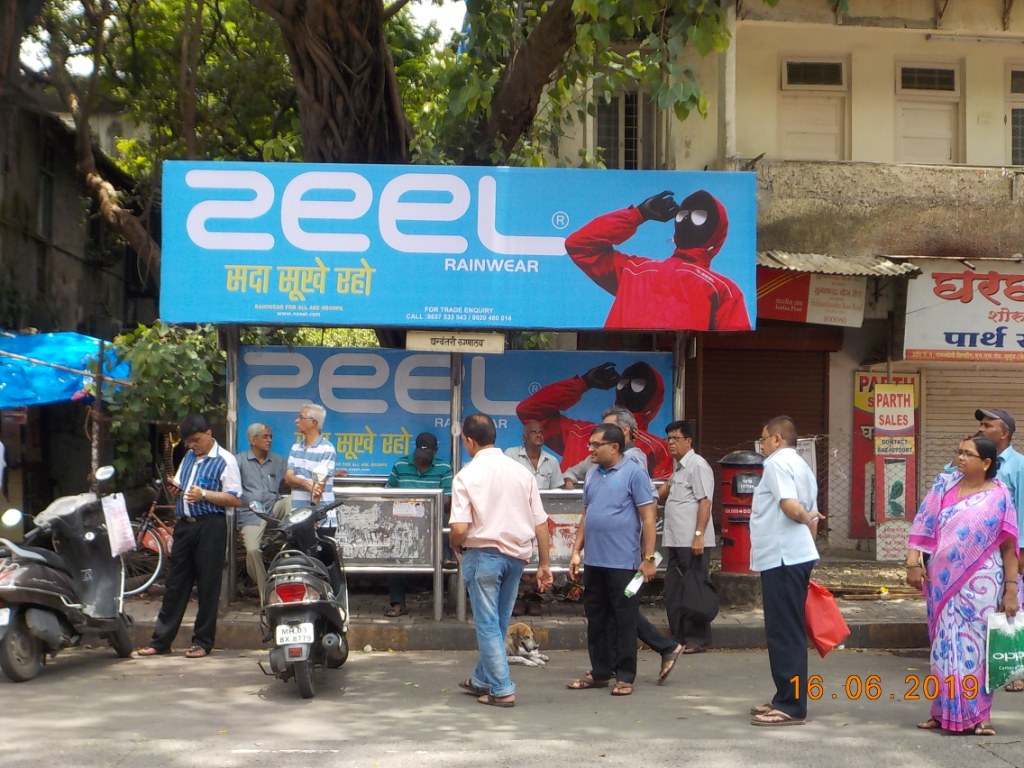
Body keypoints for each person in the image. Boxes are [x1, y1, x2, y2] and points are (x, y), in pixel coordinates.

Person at [906, 435, 1019, 735]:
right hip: (942, 582)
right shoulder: (943, 486)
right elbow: (922, 525)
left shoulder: (999, 495)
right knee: (943, 647)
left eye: (968, 454)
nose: (960, 458)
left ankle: (980, 716)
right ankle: (941, 712)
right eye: (959, 452)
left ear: (986, 463)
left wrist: (1011, 590)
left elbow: (1009, 547)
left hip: (983, 583)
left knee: (977, 648)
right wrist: (913, 562)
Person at [449, 413, 553, 708]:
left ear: (469, 441)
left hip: (482, 555)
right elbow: (541, 524)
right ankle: (482, 679)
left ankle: (503, 688)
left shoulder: (466, 475)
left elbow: (459, 529)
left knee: (487, 625)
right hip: (516, 558)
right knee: (499, 622)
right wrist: (544, 565)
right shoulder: (522, 473)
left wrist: (454, 545)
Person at [565, 189, 751, 331]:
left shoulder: (721, 290)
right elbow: (579, 245)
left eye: (698, 217)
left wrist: (639, 214)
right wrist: (638, 214)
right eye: (683, 215)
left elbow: (729, 348)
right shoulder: (633, 270)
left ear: (716, 230)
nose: (686, 221)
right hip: (623, 362)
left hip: (676, 370)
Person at [136, 413, 242, 659]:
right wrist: (177, 489)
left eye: (196, 440)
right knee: (175, 583)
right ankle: (161, 641)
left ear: (209, 434)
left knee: (208, 585)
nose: (193, 445)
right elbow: (183, 488)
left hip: (211, 526)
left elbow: (235, 499)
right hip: (184, 525)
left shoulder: (225, 460)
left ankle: (202, 642)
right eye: (189, 442)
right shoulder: (189, 458)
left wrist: (204, 494)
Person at [566, 424, 658, 697]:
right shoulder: (592, 473)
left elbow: (649, 518)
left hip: (624, 563)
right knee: (596, 618)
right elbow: (587, 513)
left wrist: (649, 559)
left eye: (596, 445)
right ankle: (600, 672)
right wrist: (576, 550)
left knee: (624, 619)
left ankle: (625, 676)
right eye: (590, 444)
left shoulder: (634, 473)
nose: (590, 449)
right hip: (595, 561)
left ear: (614, 447)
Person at [748, 415, 821, 726]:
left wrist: (803, 518)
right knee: (786, 629)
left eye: (763, 439)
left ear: (777, 439)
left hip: (782, 557)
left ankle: (791, 705)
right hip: (794, 555)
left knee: (784, 631)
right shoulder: (802, 465)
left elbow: (791, 507)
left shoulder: (777, 463)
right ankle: (785, 695)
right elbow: (811, 514)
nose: (762, 446)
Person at [601, 407, 684, 679]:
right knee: (618, 605)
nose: (601, 434)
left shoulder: (632, 460)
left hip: (632, 552)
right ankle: (619, 661)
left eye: (609, 428)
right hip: (621, 552)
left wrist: (649, 558)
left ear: (624, 431)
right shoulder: (614, 463)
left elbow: (648, 505)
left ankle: (665, 647)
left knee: (623, 605)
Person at [517, 360, 672, 479]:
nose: (626, 388)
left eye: (638, 385)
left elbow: (657, 494)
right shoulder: (579, 433)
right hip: (573, 508)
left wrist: (583, 383)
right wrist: (582, 383)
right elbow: (529, 412)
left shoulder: (656, 448)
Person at [970, 407, 1024, 692]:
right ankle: (982, 661)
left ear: (1004, 433)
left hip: (1010, 549)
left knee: (1013, 606)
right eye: (980, 424)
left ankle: (1015, 669)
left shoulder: (1019, 466)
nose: (981, 428)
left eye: (988, 425)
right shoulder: (977, 463)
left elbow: (1022, 510)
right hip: (979, 552)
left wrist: (1020, 553)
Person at [660, 419, 716, 653]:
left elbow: (705, 502)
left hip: (692, 541)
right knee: (674, 589)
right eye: (669, 439)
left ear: (689, 441)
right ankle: (678, 636)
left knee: (694, 590)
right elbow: (665, 492)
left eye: (676, 439)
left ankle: (697, 639)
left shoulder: (697, 465)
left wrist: (699, 535)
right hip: (675, 540)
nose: (671, 443)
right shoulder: (679, 467)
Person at [383, 431, 454, 617]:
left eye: (427, 455)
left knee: (446, 517)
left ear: (435, 452)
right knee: (397, 549)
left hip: (433, 521)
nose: (422, 459)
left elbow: (447, 501)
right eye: (420, 454)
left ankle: (446, 557)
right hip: (404, 521)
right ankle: (397, 602)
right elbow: (387, 495)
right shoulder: (400, 465)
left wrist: (421, 505)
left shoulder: (444, 467)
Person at [234, 422, 289, 600]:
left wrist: (329, 474)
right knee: (252, 550)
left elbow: (297, 474)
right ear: (253, 440)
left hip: (273, 508)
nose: (269, 440)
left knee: (292, 501)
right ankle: (266, 592)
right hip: (251, 514)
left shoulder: (278, 460)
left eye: (270, 436)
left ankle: (292, 539)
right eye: (265, 437)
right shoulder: (239, 460)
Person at [285, 402, 337, 531]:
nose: (296, 421)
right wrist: (305, 483)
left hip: (320, 520)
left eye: (301, 417)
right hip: (297, 517)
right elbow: (288, 478)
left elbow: (318, 488)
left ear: (313, 422)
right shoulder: (295, 448)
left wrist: (313, 517)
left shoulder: (327, 449)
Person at [504, 420, 566, 490]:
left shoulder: (552, 461)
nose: (539, 435)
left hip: (543, 497)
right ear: (524, 438)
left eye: (541, 432)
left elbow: (557, 491)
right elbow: (504, 483)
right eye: (533, 432)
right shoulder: (511, 455)